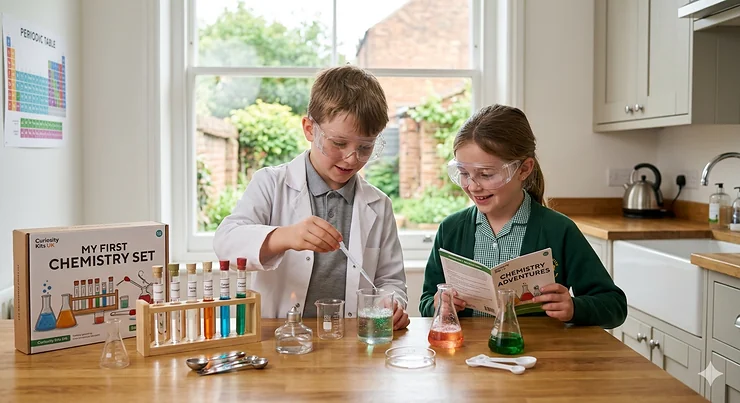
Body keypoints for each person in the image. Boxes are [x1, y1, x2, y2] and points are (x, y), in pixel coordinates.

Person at [214, 65, 410, 330]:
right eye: (339, 143)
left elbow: (390, 280)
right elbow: (226, 242)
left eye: (365, 147)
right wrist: (285, 237)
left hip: (350, 344)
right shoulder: (271, 184)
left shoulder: (378, 204)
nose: (352, 158)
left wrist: (391, 303)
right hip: (281, 337)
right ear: (309, 129)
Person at [418, 104, 627, 329]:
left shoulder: (558, 230)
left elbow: (614, 307)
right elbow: (427, 301)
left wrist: (574, 308)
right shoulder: (451, 229)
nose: (472, 186)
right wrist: (439, 304)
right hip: (467, 358)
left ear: (524, 169)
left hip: (536, 359)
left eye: (486, 174)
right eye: (463, 173)